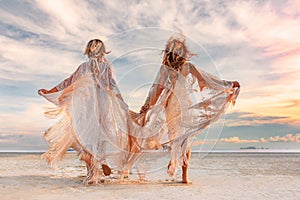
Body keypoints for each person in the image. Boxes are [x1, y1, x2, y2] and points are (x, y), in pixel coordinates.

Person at [138, 34, 240, 183]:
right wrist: (227, 85)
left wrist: (146, 106)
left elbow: (156, 90)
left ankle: (174, 162)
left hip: (172, 106)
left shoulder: (165, 69)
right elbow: (206, 81)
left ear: (168, 52)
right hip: (187, 104)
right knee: (185, 139)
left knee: (175, 138)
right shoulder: (187, 67)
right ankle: (184, 176)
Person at [38, 39, 129, 184]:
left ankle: (92, 171)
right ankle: (101, 160)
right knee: (101, 134)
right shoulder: (107, 67)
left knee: (83, 136)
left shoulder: (84, 67)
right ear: (103, 51)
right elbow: (113, 86)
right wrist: (122, 102)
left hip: (87, 105)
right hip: (103, 105)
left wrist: (51, 91)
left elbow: (68, 82)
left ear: (88, 51)